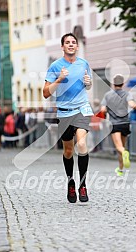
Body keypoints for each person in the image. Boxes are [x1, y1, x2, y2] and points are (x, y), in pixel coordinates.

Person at [43, 33, 93, 203]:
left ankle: (83, 184)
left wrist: (88, 83)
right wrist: (60, 79)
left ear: (77, 46)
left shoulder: (83, 63)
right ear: (62, 47)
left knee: (82, 143)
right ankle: (71, 182)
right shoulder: (55, 66)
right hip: (64, 112)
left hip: (81, 109)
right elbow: (46, 93)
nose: (71, 45)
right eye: (67, 42)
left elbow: (88, 85)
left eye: (73, 42)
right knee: (68, 151)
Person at [100, 74, 136, 176]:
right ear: (123, 84)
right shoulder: (127, 94)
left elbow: (102, 109)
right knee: (122, 146)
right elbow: (132, 105)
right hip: (125, 123)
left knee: (119, 148)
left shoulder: (108, 95)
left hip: (115, 124)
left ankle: (124, 153)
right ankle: (120, 169)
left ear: (113, 84)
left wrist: (106, 112)